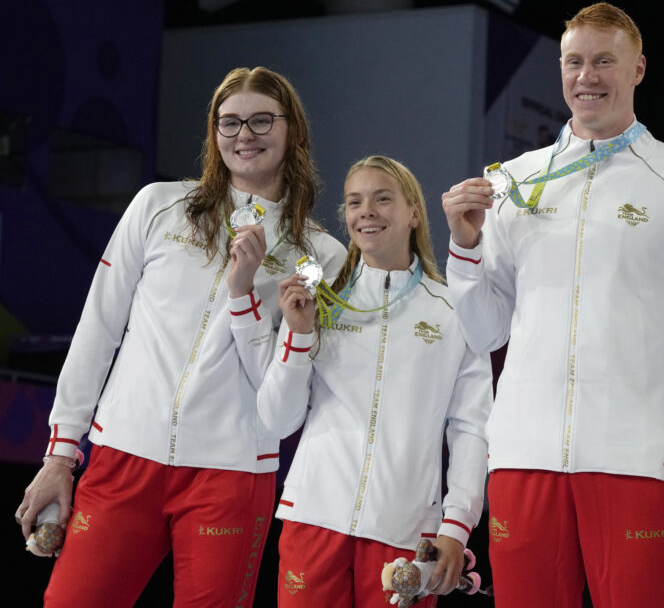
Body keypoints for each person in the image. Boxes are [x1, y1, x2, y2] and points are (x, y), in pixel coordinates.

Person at [441, 1, 664, 606]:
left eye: (605, 61)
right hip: (522, 460)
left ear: (638, 68)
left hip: (632, 461)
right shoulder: (515, 182)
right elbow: (483, 333)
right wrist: (464, 244)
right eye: (575, 61)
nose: (588, 77)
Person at [14, 66, 345, 606]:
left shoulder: (319, 257)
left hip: (232, 478)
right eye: (229, 122)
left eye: (262, 120)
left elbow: (281, 405)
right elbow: (97, 329)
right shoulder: (158, 206)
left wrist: (244, 294)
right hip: (124, 457)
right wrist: (59, 456)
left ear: (294, 131)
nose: (245, 134)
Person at [258, 155, 492, 607]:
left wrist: (456, 526)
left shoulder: (452, 311)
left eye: (383, 198)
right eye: (354, 201)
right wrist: (299, 336)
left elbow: (471, 428)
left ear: (415, 214)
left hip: (405, 531)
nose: (366, 210)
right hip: (313, 519)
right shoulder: (317, 302)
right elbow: (277, 421)